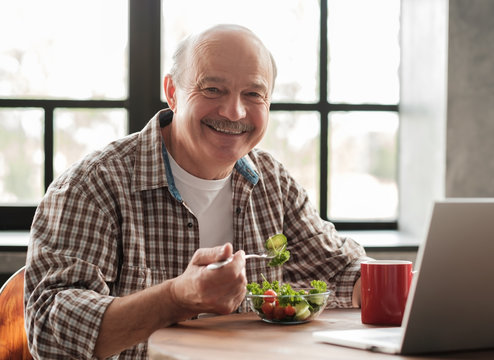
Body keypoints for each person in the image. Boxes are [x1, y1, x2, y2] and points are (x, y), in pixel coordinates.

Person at [24, 24, 370, 359]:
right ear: (173, 92)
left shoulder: (272, 181)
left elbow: (340, 269)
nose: (234, 111)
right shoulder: (93, 184)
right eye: (212, 89)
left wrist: (404, 285)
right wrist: (177, 297)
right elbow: (49, 331)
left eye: (252, 93)